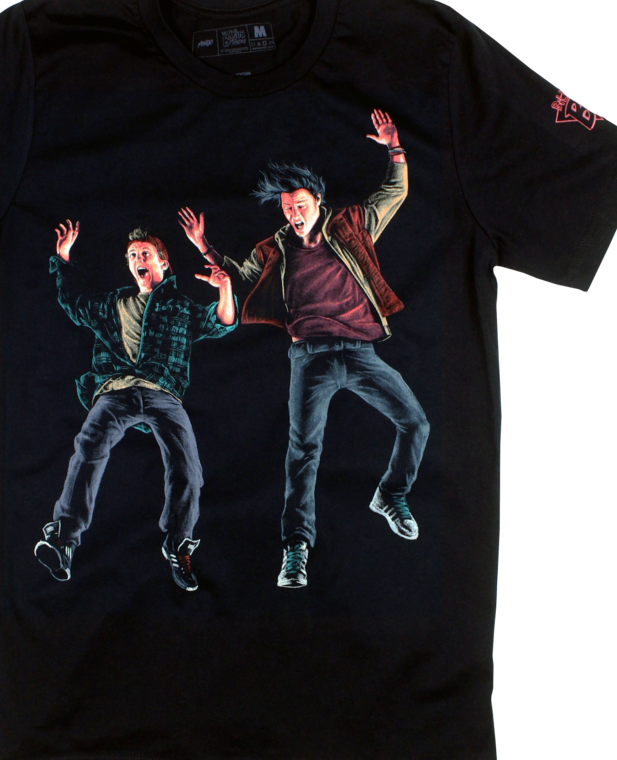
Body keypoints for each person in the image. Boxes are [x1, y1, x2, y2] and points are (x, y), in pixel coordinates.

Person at [179, 110, 429, 589]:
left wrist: (395, 148)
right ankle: (296, 548)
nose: (293, 214)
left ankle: (390, 494)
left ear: (318, 202)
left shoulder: (352, 225)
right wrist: (205, 248)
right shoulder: (274, 249)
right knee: (303, 450)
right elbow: (241, 275)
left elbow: (393, 194)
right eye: (286, 208)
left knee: (416, 422)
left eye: (300, 205)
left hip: (359, 352)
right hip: (310, 357)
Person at [34, 220, 237, 592]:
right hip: (115, 390)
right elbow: (74, 304)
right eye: (132, 256)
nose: (138, 259)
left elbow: (220, 321)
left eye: (145, 253)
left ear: (163, 262)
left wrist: (225, 288)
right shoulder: (113, 303)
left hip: (163, 393)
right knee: (89, 446)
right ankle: (63, 539)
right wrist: (62, 259)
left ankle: (178, 543)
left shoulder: (178, 306)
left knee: (187, 466)